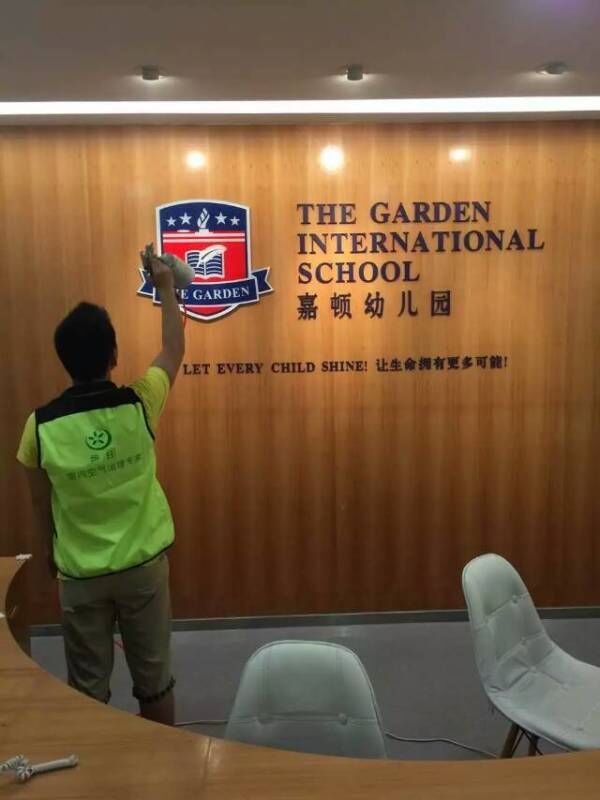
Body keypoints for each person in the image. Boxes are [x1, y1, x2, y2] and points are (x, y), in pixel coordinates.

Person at [16, 253, 184, 726]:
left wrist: (50, 556)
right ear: (114, 355)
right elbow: (173, 350)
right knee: (156, 683)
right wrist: (166, 289)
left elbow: (40, 505)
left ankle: (95, 769)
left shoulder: (39, 427)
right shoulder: (139, 404)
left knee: (88, 692)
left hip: (80, 575)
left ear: (65, 361)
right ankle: (163, 765)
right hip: (142, 570)